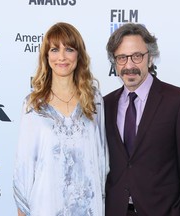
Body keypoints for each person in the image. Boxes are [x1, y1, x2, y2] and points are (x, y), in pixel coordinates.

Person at [104, 23, 180, 216]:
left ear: (150, 58)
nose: (129, 65)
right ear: (115, 62)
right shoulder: (105, 105)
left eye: (137, 56)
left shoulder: (179, 102)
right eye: (122, 58)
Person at [13, 22, 109, 216]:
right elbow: (24, 166)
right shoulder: (33, 105)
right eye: (55, 49)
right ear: (46, 56)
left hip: (88, 209)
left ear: (78, 55)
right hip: (45, 208)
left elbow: (102, 160)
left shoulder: (94, 101)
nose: (62, 57)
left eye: (69, 49)